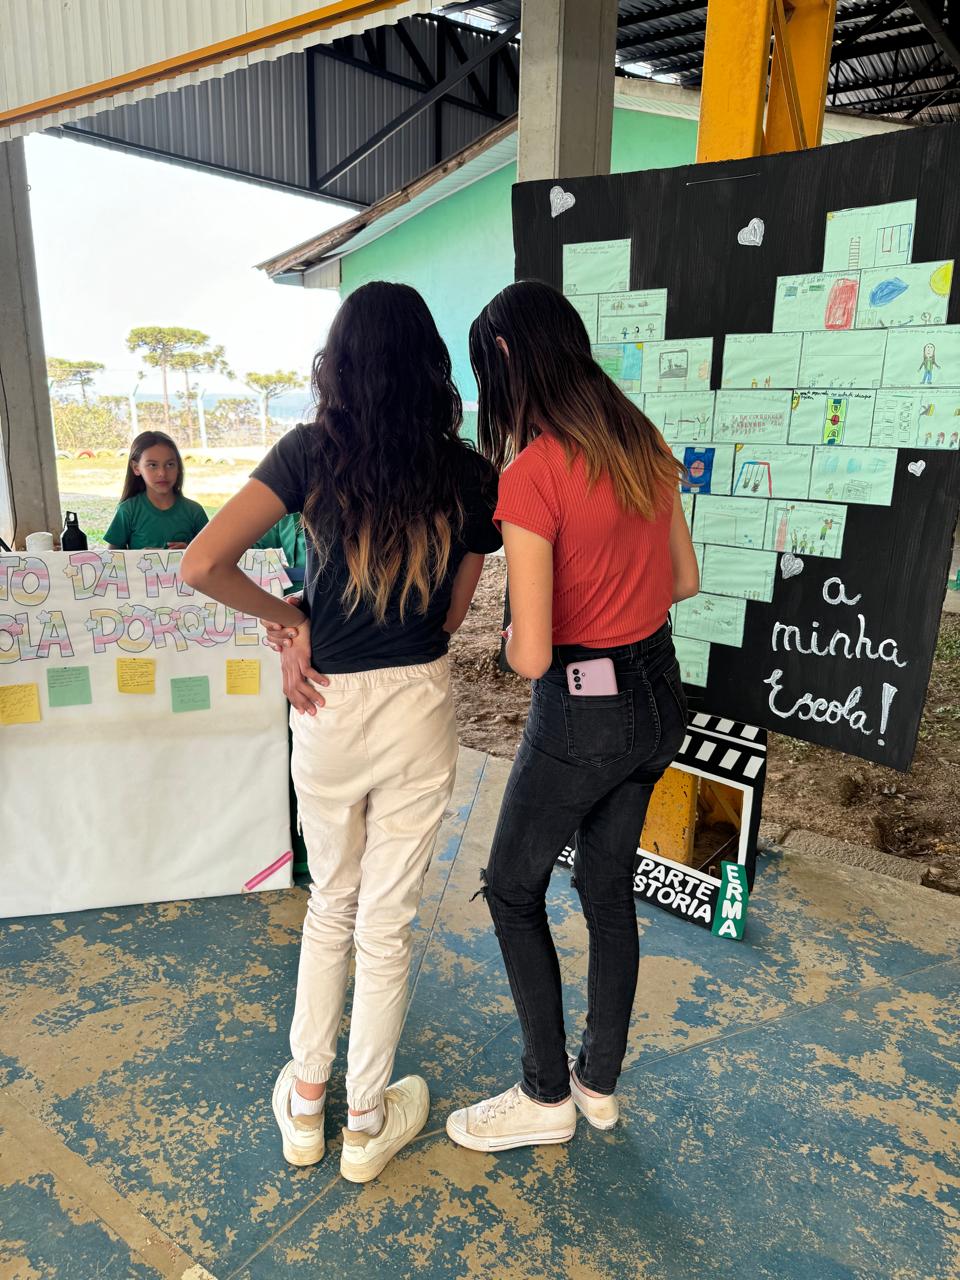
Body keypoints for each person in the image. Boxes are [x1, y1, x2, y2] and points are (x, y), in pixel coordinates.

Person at [181, 282, 501, 1183]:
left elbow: (203, 564)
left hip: (328, 705)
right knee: (388, 924)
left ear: (339, 362)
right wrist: (313, 617)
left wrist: (292, 620)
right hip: (419, 707)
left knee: (332, 905)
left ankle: (307, 1106)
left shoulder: (307, 452)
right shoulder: (473, 474)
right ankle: (368, 1122)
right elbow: (452, 618)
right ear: (431, 366)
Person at [446, 280, 699, 1154]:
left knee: (513, 889)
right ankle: (598, 1081)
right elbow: (686, 581)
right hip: (662, 697)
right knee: (604, 891)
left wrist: (519, 625)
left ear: (510, 358)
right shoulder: (645, 443)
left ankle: (545, 1093)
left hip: (582, 712)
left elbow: (531, 656)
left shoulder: (535, 473)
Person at [104, 431, 208, 550]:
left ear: (178, 467)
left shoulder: (194, 511)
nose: (162, 473)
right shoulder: (127, 511)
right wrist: (137, 558)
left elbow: (212, 555)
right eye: (153, 465)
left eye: (170, 464)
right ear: (136, 468)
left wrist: (189, 551)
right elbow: (112, 558)